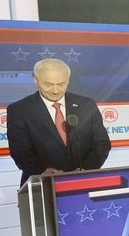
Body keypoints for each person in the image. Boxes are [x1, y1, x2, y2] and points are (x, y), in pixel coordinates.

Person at [6, 58, 111, 186]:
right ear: (36, 80)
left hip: (83, 182)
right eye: (48, 85)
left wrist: (85, 170)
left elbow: (102, 144)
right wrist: (42, 172)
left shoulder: (86, 105)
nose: (55, 90)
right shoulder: (20, 110)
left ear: (68, 80)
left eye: (61, 84)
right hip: (41, 185)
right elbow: (20, 152)